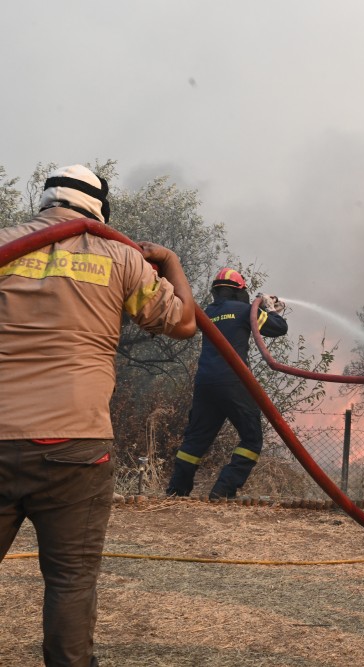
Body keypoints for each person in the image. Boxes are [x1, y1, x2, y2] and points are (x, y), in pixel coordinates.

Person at [0, 164, 197, 666]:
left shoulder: (5, 245)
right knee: (70, 581)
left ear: (44, 202)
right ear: (100, 209)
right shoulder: (121, 258)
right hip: (75, 447)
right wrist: (169, 259)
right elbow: (184, 324)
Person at [165, 268, 288, 499]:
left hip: (205, 383)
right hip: (234, 382)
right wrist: (271, 309)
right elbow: (278, 328)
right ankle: (223, 489)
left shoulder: (206, 312)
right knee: (252, 438)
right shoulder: (244, 310)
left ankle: (176, 490)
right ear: (240, 291)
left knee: (196, 438)